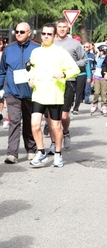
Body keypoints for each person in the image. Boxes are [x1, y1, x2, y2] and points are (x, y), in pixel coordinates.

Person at [27, 23, 79, 168]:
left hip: (54, 93)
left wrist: (63, 74)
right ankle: (41, 151)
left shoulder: (61, 52)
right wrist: (30, 79)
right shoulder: (35, 52)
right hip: (38, 93)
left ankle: (58, 154)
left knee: (56, 127)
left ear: (54, 36)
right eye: (43, 34)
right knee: (34, 124)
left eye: (49, 34)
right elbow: (32, 68)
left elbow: (74, 69)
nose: (45, 36)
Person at [0, 22, 39, 164]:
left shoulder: (37, 49)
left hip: (31, 93)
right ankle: (12, 153)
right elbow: (2, 71)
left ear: (29, 33)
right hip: (12, 93)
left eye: (22, 32)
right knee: (14, 122)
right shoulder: (9, 49)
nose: (18, 34)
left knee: (30, 123)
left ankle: (31, 149)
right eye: (16, 32)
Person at [50, 18, 87, 151]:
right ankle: (54, 143)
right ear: (56, 27)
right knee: (52, 116)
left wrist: (71, 66)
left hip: (69, 82)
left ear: (68, 28)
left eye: (64, 27)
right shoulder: (50, 42)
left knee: (64, 115)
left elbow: (84, 60)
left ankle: (65, 132)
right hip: (52, 82)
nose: (62, 29)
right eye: (59, 26)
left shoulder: (75, 44)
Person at [91, 45, 107, 116]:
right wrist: (93, 77)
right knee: (96, 92)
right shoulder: (98, 58)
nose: (99, 52)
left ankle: (104, 106)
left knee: (104, 93)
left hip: (103, 77)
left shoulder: (105, 58)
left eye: (100, 51)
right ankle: (95, 104)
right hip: (97, 77)